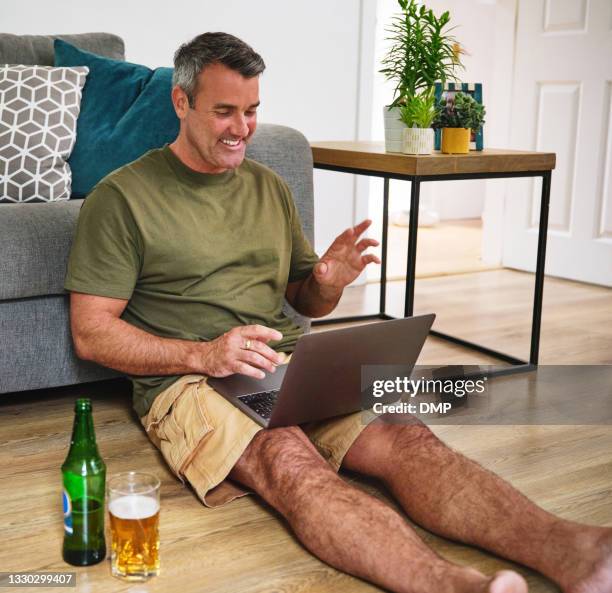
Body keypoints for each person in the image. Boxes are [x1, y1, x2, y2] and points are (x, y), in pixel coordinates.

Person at [65, 32, 611, 593]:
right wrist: (204, 354)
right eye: (224, 111)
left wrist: (326, 282)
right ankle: (455, 586)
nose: (242, 129)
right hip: (190, 379)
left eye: (252, 110)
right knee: (289, 458)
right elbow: (92, 334)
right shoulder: (122, 198)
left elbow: (304, 299)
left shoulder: (268, 186)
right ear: (181, 103)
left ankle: (579, 553)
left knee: (410, 437)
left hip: (288, 361)